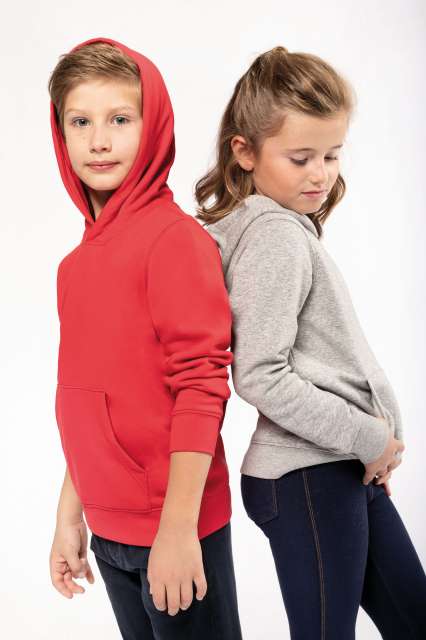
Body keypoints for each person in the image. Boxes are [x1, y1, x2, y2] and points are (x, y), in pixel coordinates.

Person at [196, 45, 426, 639]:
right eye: (300, 158)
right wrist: (368, 436)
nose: (321, 174)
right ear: (244, 152)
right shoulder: (273, 235)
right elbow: (260, 375)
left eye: (331, 154)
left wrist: (368, 448)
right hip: (307, 476)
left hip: (339, 467)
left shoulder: (284, 229)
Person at [47, 36, 242, 640]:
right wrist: (70, 515)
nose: (98, 141)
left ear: (152, 125)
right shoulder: (74, 266)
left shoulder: (174, 241)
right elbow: (86, 400)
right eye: (80, 121)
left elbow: (202, 388)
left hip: (174, 530)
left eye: (120, 119)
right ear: (60, 132)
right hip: (109, 532)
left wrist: (179, 530)